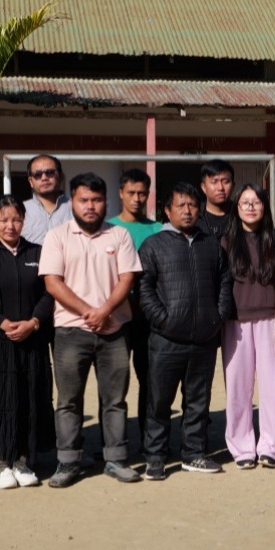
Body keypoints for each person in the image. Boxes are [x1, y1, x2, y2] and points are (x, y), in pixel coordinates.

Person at [38, 173, 142, 486]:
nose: (90, 206)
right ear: (72, 201)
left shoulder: (119, 235)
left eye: (96, 200)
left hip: (115, 329)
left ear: (105, 201)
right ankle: (68, 461)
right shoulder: (57, 236)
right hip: (70, 331)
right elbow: (52, 282)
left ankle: (116, 459)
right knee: (68, 400)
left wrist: (104, 311)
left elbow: (127, 278)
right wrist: (88, 312)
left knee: (115, 399)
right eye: (83, 200)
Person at [135, 181, 233, 480]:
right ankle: (155, 457)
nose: (188, 211)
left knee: (198, 402)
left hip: (203, 339)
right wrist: (163, 319)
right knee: (159, 401)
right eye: (181, 205)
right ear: (167, 210)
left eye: (192, 205)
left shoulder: (210, 244)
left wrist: (217, 317)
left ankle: (194, 453)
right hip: (166, 339)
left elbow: (224, 281)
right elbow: (143, 287)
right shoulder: (153, 245)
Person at [0, 195, 53, 490]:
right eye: (3, 219)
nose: (10, 225)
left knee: (27, 398)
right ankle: (1, 462)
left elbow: (48, 294)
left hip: (31, 341)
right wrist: (2, 323)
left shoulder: (37, 252)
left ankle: (22, 460)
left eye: (16, 219)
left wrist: (33, 322)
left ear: (24, 221)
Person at [223, 184, 275, 469]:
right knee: (238, 388)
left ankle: (271, 447)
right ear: (237, 207)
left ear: (265, 206)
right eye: (245, 202)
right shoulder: (226, 242)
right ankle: (241, 447)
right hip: (235, 323)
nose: (251, 207)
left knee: (272, 387)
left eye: (256, 202)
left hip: (271, 319)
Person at [108, 168, 160, 454]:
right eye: (131, 193)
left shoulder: (158, 229)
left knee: (149, 380)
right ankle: (112, 443)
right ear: (121, 193)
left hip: (146, 316)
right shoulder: (107, 229)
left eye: (142, 193)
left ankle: (149, 442)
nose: (137, 198)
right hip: (115, 314)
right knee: (114, 382)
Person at [20, 154, 72, 245]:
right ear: (31, 181)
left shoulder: (76, 207)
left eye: (50, 172)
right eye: (37, 174)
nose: (44, 178)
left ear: (61, 176)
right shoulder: (20, 210)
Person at [197, 159, 237, 239]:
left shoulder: (241, 214)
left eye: (226, 181)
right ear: (203, 187)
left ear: (233, 186)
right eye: (214, 182)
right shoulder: (195, 215)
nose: (220, 188)